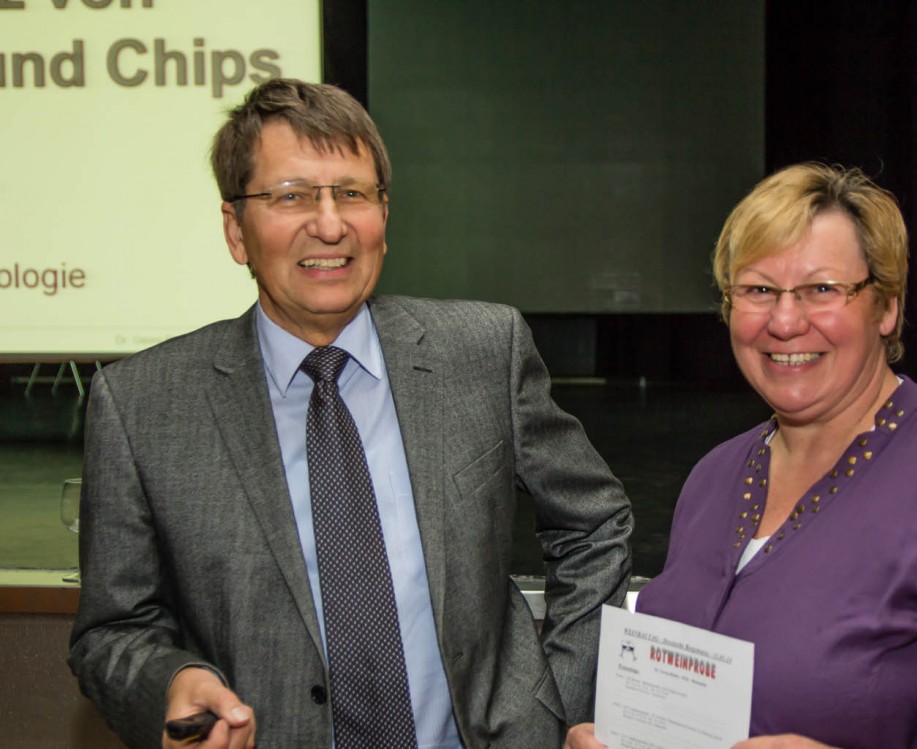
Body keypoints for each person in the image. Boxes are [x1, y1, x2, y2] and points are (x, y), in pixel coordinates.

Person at [68, 78, 633, 749]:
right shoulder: (144, 405)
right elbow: (113, 630)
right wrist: (169, 679)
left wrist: (553, 702)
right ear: (235, 230)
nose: (330, 223)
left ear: (384, 218)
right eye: (291, 196)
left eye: (353, 193)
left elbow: (595, 522)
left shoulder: (482, 352)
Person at [566, 163, 917, 749]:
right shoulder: (715, 476)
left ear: (885, 306)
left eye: (822, 290)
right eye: (758, 290)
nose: (785, 322)